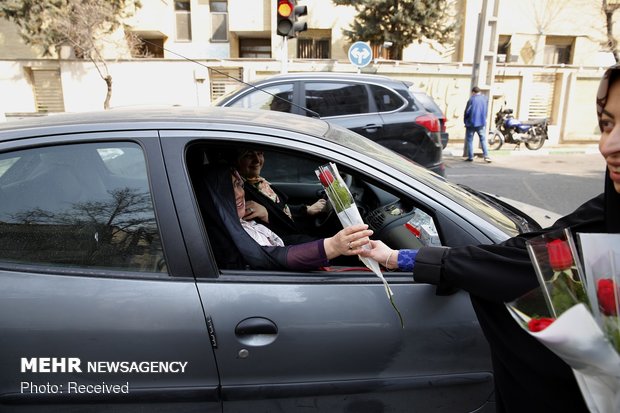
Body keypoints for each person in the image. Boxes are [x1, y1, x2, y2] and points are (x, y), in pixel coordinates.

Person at [360, 66, 620, 412]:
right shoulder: (603, 216)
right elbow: (527, 259)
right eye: (606, 124)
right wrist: (400, 258)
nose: (608, 145)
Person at [199, 163, 372, 271]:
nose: (239, 194)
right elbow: (271, 256)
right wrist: (331, 246)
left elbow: (279, 238)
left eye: (238, 185)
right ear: (218, 198)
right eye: (228, 190)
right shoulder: (223, 240)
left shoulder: (241, 221)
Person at [235, 148, 327, 243]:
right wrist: (266, 217)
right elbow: (267, 236)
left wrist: (306, 210)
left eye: (260, 153)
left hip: (292, 229)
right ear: (236, 160)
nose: (257, 160)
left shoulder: (259, 183)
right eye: (249, 156)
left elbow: (281, 208)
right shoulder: (242, 194)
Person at [464, 86, 492, 163]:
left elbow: (467, 112)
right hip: (481, 123)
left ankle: (470, 157)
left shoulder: (471, 100)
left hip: (471, 123)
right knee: (483, 140)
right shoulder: (485, 99)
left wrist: (465, 121)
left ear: (473, 92)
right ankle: (486, 156)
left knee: (470, 140)